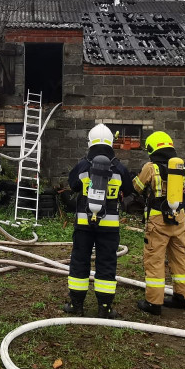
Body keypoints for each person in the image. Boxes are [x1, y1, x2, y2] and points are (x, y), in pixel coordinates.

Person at [62, 123, 134, 318]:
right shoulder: (118, 167)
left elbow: (73, 185)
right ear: (111, 142)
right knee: (107, 263)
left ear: (90, 142)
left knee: (79, 261)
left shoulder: (83, 165)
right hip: (109, 227)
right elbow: (128, 190)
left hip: (84, 225)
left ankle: (76, 305)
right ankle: (105, 308)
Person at [132, 131, 185, 315]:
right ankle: (183, 297)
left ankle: (153, 302)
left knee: (155, 259)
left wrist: (136, 176)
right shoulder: (182, 167)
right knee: (180, 257)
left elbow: (138, 187)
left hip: (158, 219)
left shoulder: (151, 167)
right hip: (179, 217)